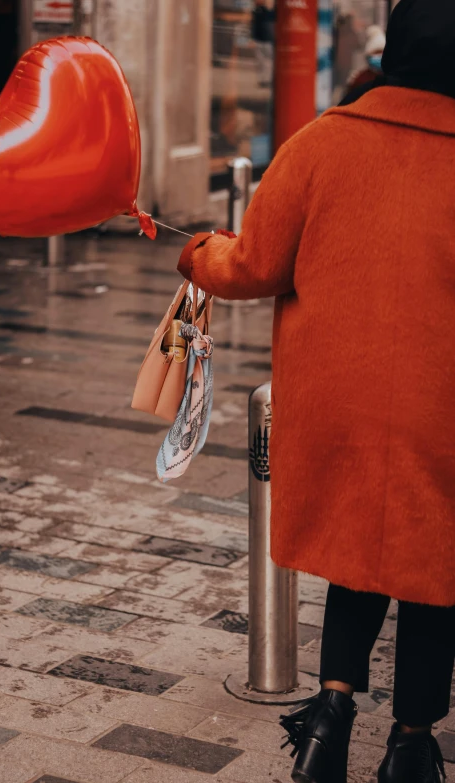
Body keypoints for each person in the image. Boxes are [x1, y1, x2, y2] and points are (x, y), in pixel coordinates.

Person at [177, 1, 455, 781]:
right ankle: (411, 741)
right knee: (435, 565)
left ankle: (329, 717)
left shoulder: (323, 142)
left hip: (338, 397)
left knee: (357, 551)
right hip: (443, 407)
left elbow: (255, 263)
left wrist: (198, 252)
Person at [345, 24, 386, 93]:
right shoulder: (360, 79)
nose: (379, 56)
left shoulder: (392, 78)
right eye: (375, 53)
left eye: (381, 53)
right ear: (368, 56)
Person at [251, 0, 275, 87]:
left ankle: (268, 80)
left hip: (269, 40)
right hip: (261, 40)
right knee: (261, 62)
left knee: (269, 62)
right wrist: (253, 39)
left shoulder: (274, 12)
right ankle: (263, 80)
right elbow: (254, 25)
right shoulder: (258, 11)